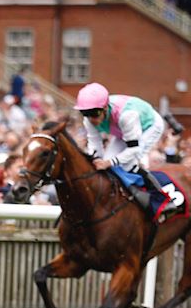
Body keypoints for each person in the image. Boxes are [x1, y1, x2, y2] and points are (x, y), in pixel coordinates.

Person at [75, 82, 179, 218]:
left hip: (149, 126)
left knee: (129, 164)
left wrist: (109, 162)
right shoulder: (88, 120)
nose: (91, 118)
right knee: (107, 163)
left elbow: (133, 150)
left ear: (105, 108)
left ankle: (164, 200)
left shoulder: (127, 116)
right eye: (85, 113)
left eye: (94, 113)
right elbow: (95, 146)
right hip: (122, 131)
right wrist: (96, 161)